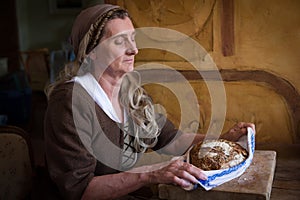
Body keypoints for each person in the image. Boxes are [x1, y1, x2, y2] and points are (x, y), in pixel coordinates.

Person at [44, 4, 255, 200]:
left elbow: (172, 140)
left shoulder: (132, 93)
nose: (134, 50)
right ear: (90, 53)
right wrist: (150, 175)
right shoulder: (70, 102)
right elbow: (79, 189)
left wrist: (222, 140)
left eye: (132, 39)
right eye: (119, 41)